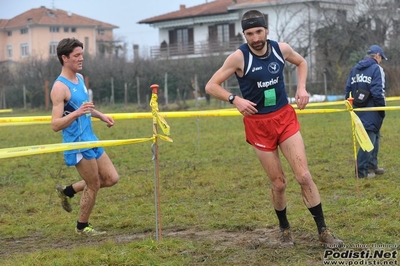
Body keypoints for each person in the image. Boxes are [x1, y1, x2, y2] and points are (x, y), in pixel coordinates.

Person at [205, 10, 343, 248]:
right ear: (244, 34)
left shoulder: (281, 49)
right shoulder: (238, 57)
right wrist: (234, 99)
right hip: (258, 125)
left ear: (266, 30)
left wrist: (302, 88)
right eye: (250, 33)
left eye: (259, 31)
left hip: (284, 118)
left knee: (304, 175)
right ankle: (285, 229)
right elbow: (211, 86)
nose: (255, 38)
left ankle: (323, 231)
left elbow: (301, 62)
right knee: (279, 183)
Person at [51, 38, 119, 236]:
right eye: (76, 56)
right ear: (64, 58)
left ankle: (68, 190)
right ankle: (82, 227)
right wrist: (76, 114)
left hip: (91, 137)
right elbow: (55, 125)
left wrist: (101, 115)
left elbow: (85, 108)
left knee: (111, 178)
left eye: (82, 54)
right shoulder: (59, 87)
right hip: (77, 143)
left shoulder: (79, 79)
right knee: (94, 183)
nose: (81, 58)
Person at [345, 45, 387, 179]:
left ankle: (372, 165)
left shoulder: (354, 69)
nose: (381, 61)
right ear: (377, 56)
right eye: (381, 58)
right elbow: (378, 92)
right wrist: (381, 109)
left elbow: (348, 91)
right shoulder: (377, 69)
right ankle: (361, 172)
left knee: (375, 136)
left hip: (358, 109)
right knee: (368, 140)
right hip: (373, 109)